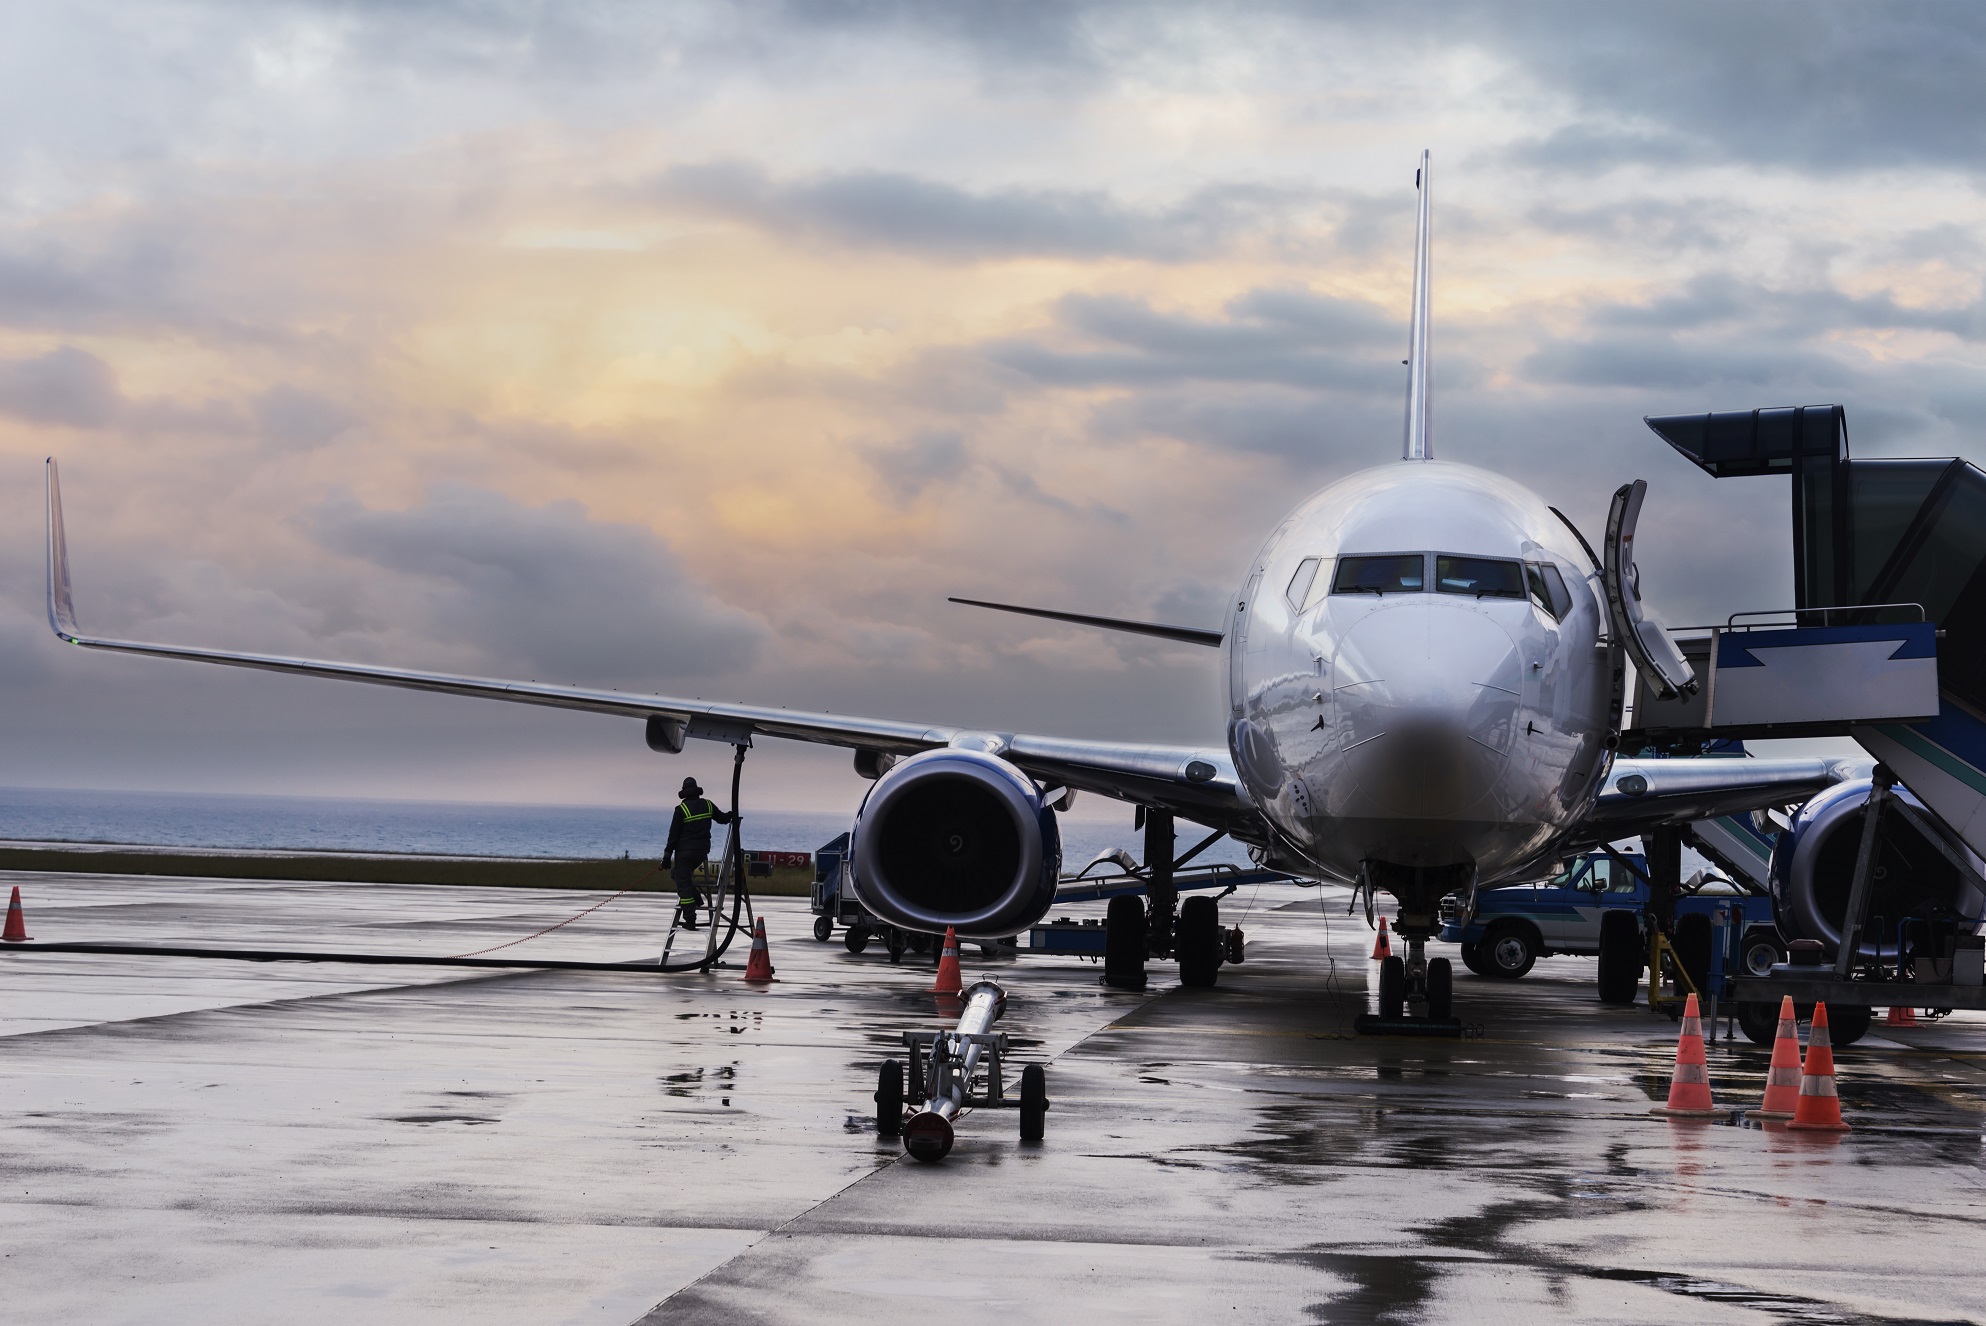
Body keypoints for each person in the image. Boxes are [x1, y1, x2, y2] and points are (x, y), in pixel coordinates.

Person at [660, 776, 735, 929]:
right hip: (702, 852)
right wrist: (732, 814)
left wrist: (667, 856)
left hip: (684, 853)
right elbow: (723, 819)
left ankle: (690, 919)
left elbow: (673, 835)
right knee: (677, 873)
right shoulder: (708, 805)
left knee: (683, 884)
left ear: (684, 793)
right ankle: (697, 898)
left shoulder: (681, 809)